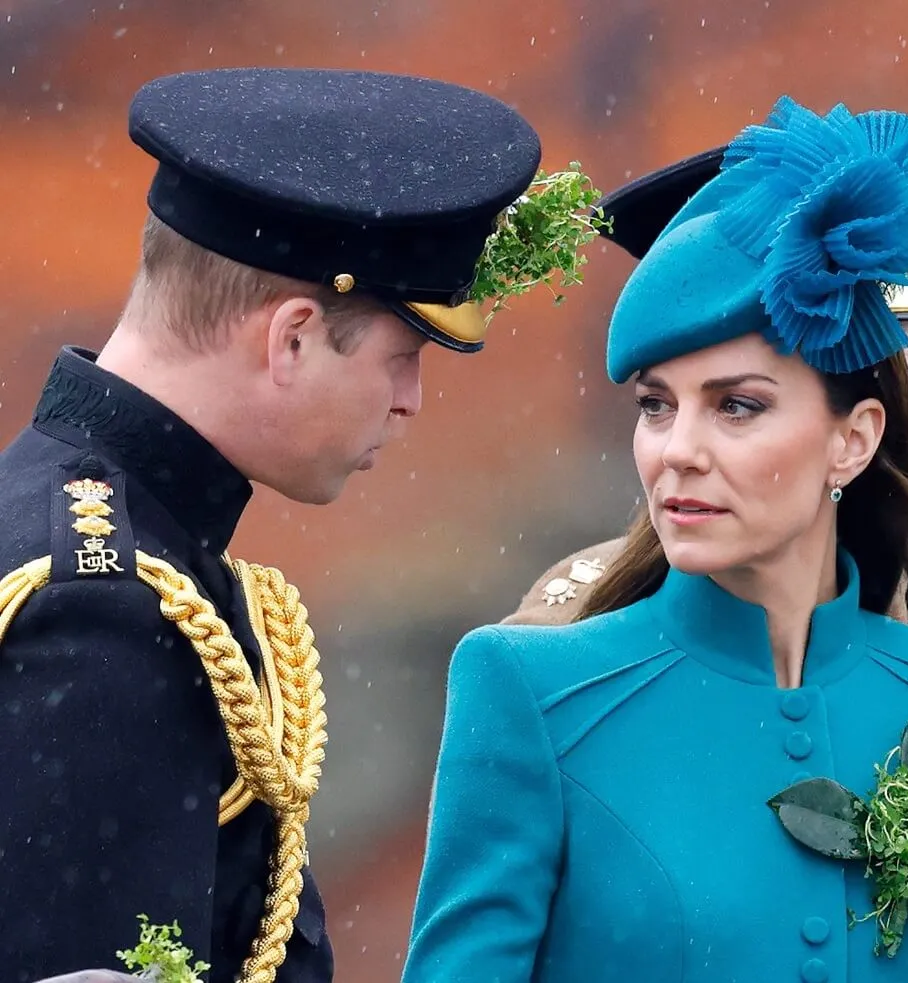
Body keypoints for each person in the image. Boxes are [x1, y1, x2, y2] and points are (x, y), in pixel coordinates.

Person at [403, 99, 908, 981]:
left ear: (853, 438)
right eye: (655, 405)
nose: (677, 451)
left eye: (737, 405)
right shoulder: (530, 688)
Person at [2, 66, 545, 983]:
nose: (410, 402)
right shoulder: (101, 607)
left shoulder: (105, 538)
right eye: (402, 355)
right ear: (290, 337)